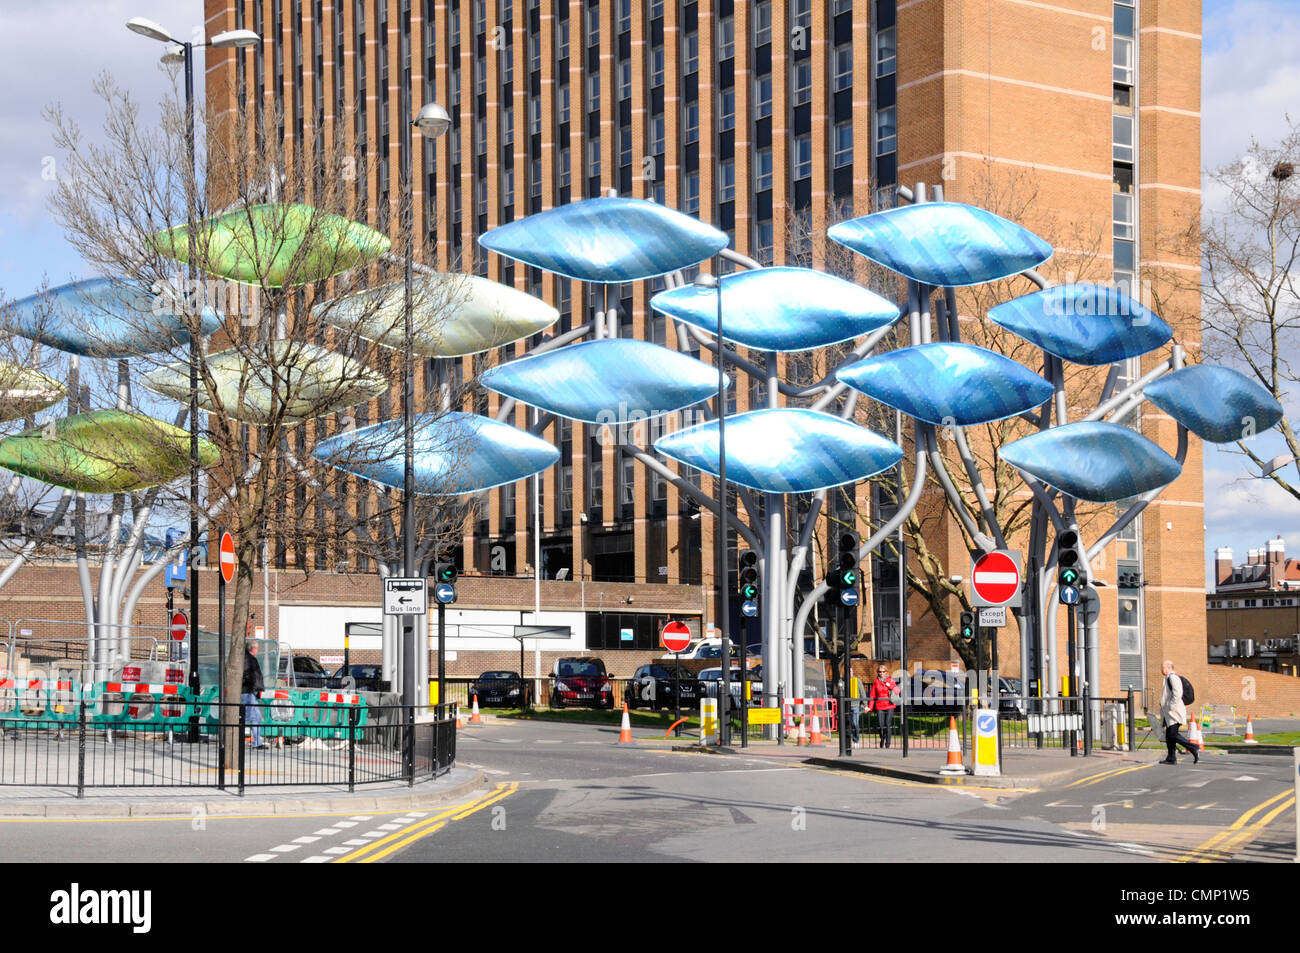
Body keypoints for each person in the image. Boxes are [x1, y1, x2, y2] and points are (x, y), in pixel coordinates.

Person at [1158, 659, 1198, 765]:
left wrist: (1171, 706)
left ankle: (1193, 747)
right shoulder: (1168, 678)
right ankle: (1171, 758)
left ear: (1168, 668)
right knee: (1169, 736)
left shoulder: (1172, 678)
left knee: (1173, 735)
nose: (1161, 669)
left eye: (1162, 667)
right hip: (1170, 713)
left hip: (1174, 712)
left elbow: (1177, 693)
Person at [242, 640, 267, 749]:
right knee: (251, 717)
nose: (258, 650)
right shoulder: (248, 659)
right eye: (256, 648)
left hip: (251, 691)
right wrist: (253, 686)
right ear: (252, 649)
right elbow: (248, 674)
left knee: (255, 717)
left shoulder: (250, 659)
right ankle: (256, 742)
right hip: (248, 691)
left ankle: (257, 742)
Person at [867, 664, 899, 748]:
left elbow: (897, 690)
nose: (881, 673)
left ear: (886, 672)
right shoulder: (876, 681)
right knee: (880, 725)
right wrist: (870, 707)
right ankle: (882, 738)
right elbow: (872, 695)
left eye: (883, 672)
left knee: (888, 724)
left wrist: (889, 685)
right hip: (880, 706)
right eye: (879, 672)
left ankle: (888, 743)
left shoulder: (890, 680)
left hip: (889, 705)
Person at [846, 673, 864, 747]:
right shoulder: (843, 681)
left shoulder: (857, 680)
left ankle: (856, 740)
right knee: (846, 724)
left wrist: (864, 704)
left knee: (855, 723)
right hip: (846, 706)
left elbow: (862, 692)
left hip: (855, 705)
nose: (849, 673)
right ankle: (846, 741)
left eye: (850, 671)